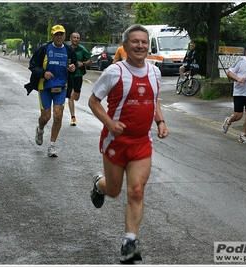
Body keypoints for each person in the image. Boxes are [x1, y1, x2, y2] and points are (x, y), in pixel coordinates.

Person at [88, 24, 169, 263]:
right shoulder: (114, 72)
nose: (140, 46)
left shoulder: (155, 72)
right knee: (113, 191)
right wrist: (110, 124)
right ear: (125, 46)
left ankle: (129, 241)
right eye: (135, 41)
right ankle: (98, 185)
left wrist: (160, 121)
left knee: (136, 191)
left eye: (144, 42)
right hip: (116, 142)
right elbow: (93, 101)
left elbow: (153, 100)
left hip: (141, 143)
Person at [27, 24, 77, 157]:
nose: (59, 37)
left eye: (61, 34)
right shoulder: (44, 49)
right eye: (57, 34)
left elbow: (74, 67)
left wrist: (73, 68)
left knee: (58, 115)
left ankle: (52, 145)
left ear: (65, 36)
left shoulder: (69, 50)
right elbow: (33, 65)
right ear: (52, 36)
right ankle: (40, 129)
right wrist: (43, 73)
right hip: (45, 87)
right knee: (46, 117)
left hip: (61, 87)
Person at [66, 32, 91, 126]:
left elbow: (90, 60)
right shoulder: (67, 48)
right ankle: (73, 117)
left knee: (76, 97)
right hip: (69, 75)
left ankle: (74, 95)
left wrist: (83, 64)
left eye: (77, 38)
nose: (76, 39)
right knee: (71, 95)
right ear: (70, 38)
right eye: (74, 37)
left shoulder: (82, 49)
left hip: (78, 75)